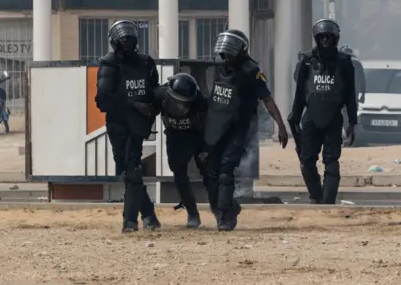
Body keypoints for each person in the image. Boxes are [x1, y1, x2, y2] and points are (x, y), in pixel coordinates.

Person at [204, 29, 289, 231]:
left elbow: (267, 98)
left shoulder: (251, 71)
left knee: (226, 171)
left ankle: (225, 218)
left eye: (230, 51)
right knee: (211, 173)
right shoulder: (219, 66)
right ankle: (227, 208)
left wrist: (281, 125)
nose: (226, 56)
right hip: (216, 126)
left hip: (238, 128)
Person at [94, 19, 161, 233]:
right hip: (118, 124)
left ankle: (130, 221)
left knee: (132, 169)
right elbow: (103, 99)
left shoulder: (146, 63)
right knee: (127, 170)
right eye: (124, 42)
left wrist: (153, 107)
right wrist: (133, 104)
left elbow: (153, 92)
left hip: (137, 126)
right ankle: (149, 215)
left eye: (130, 41)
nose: (128, 46)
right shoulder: (110, 64)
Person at [288, 19, 358, 204]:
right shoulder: (307, 61)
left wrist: (352, 122)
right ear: (316, 38)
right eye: (322, 37)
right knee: (307, 160)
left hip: (334, 117)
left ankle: (328, 203)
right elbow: (300, 93)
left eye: (329, 36)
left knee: (331, 161)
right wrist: (294, 118)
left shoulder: (344, 62)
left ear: (336, 38)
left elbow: (351, 94)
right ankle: (315, 195)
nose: (325, 40)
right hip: (310, 117)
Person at [153, 72, 210, 229]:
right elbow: (149, 110)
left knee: (209, 173)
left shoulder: (199, 100)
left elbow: (208, 126)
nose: (179, 107)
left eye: (183, 103)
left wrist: (207, 149)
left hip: (196, 137)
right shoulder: (159, 94)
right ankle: (192, 212)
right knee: (179, 176)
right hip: (175, 137)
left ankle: (221, 209)